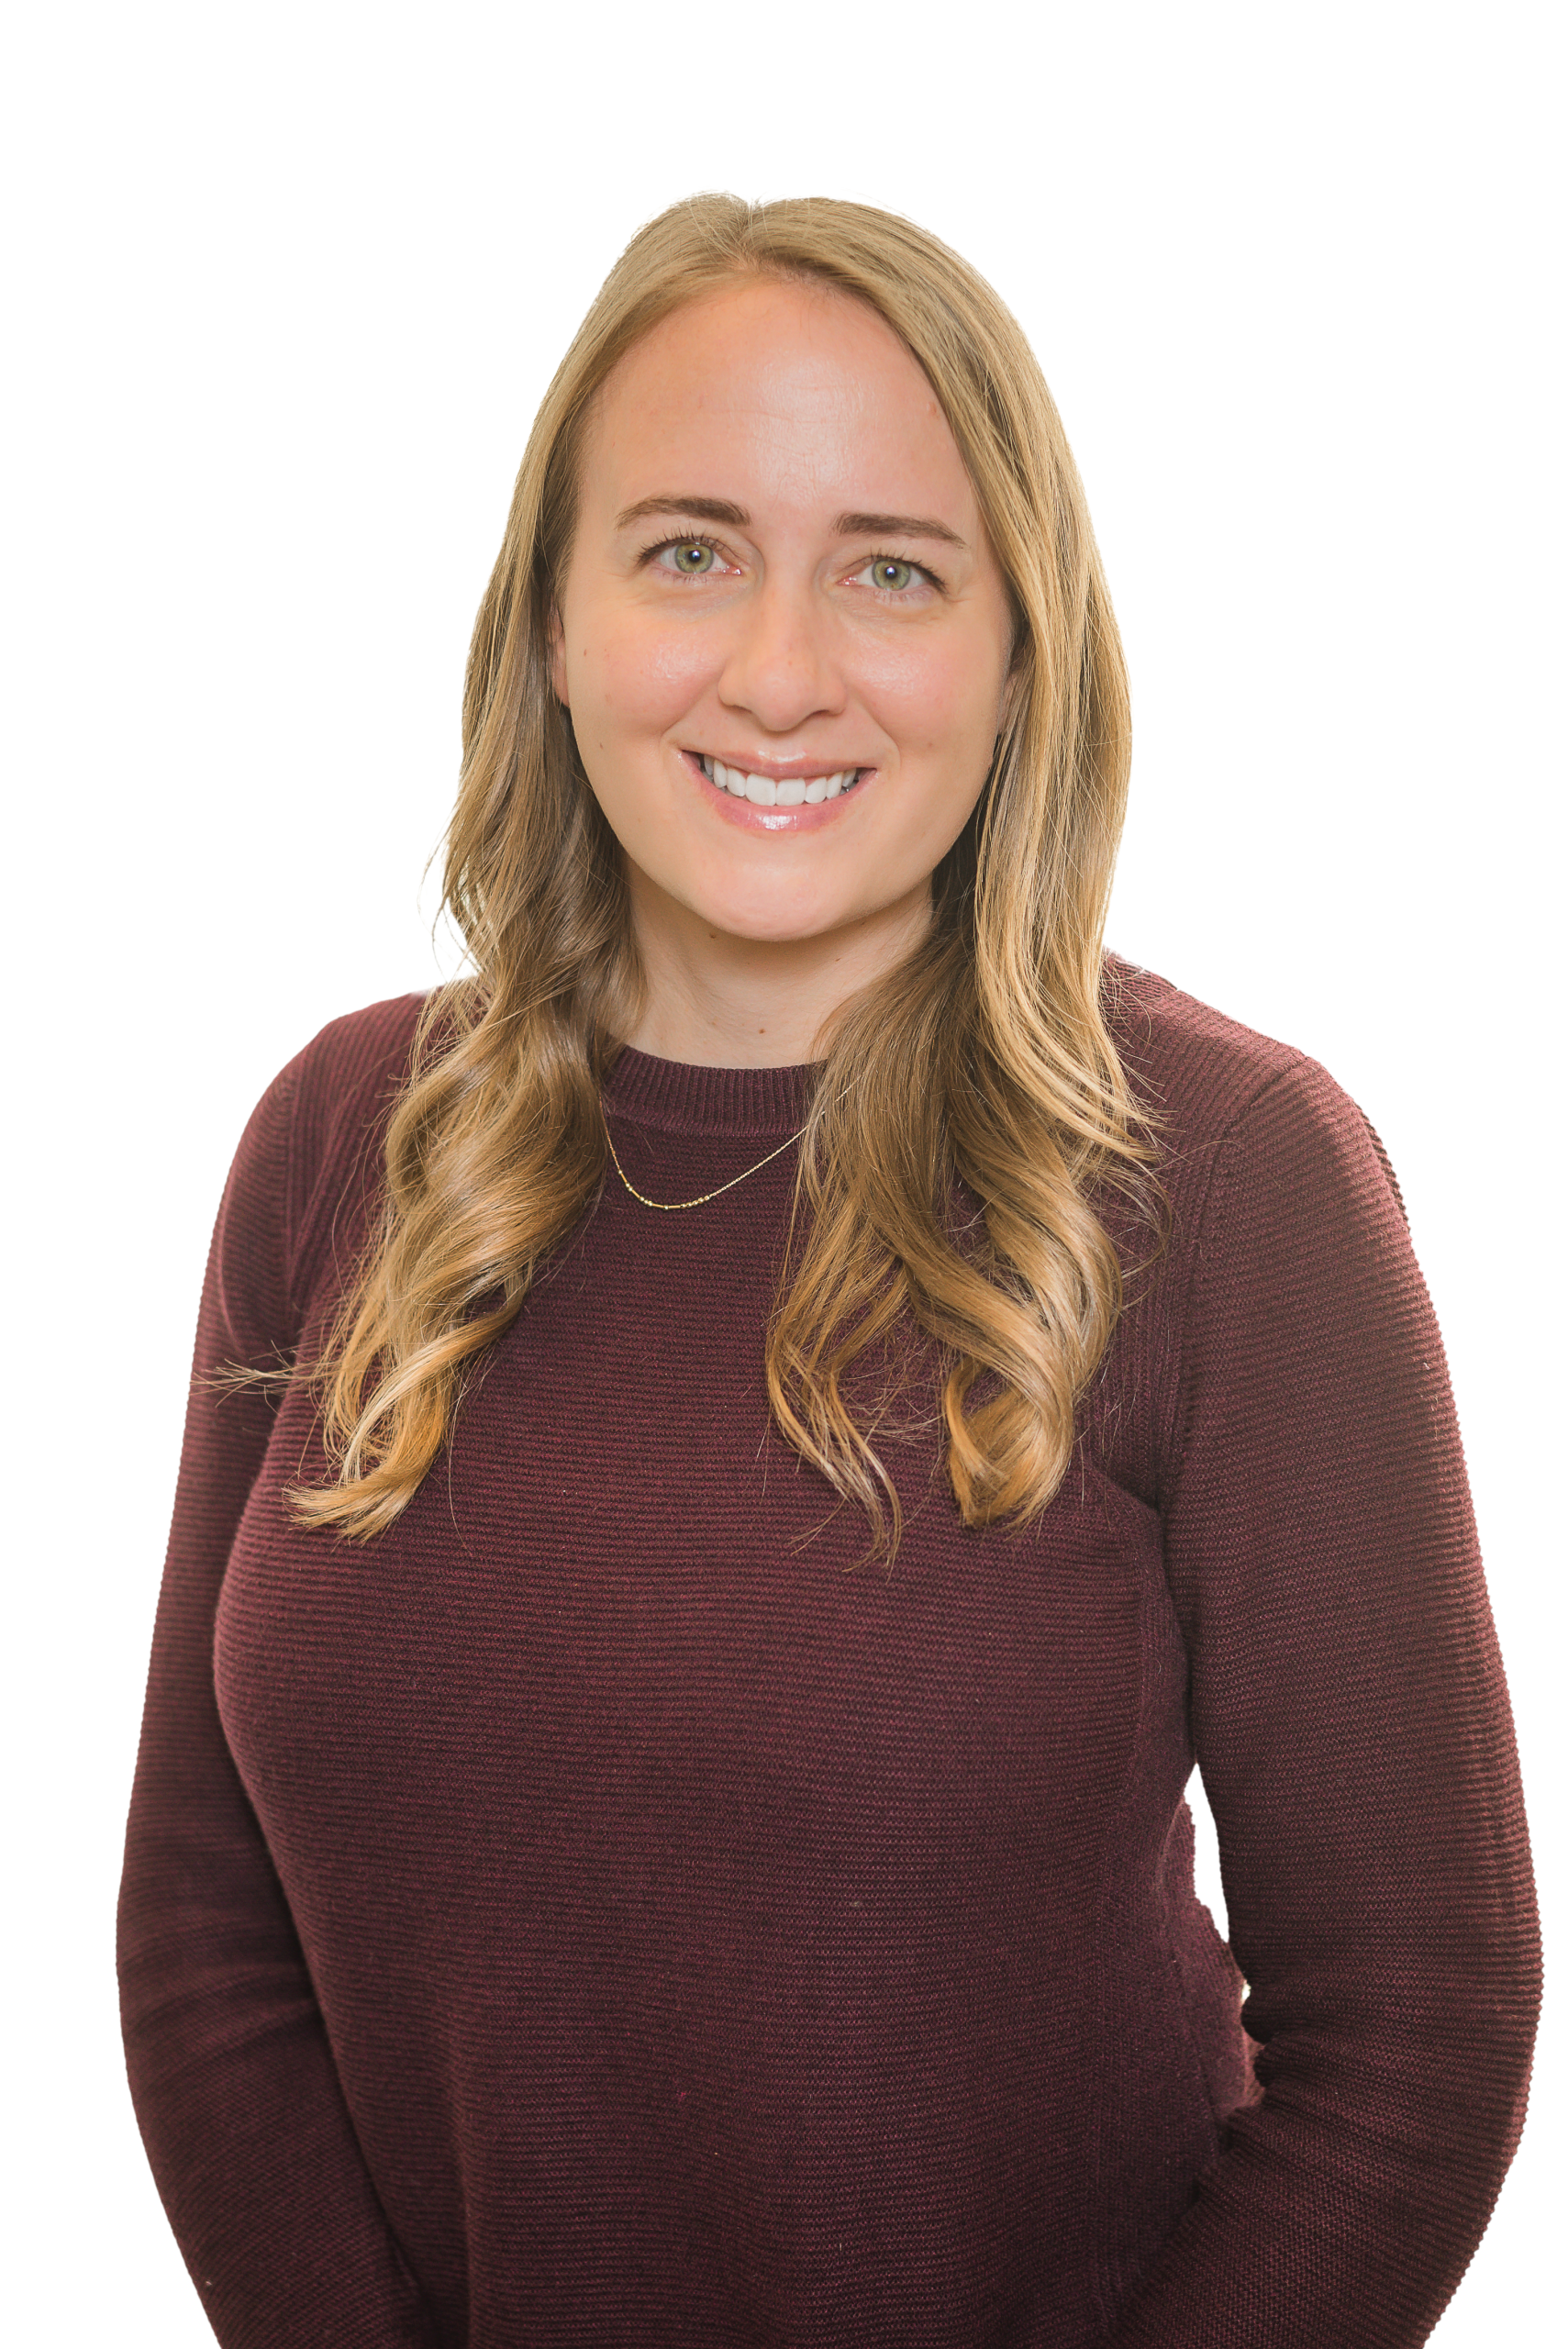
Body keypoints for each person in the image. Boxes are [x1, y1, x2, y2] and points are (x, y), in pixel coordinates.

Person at [116, 186, 1541, 2347]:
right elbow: (204, 1936)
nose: (777, 673)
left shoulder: (1233, 1179)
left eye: (889, 568)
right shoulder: (338, 1135)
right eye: (686, 548)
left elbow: (1416, 2033)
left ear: (1015, 647)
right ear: (553, 621)